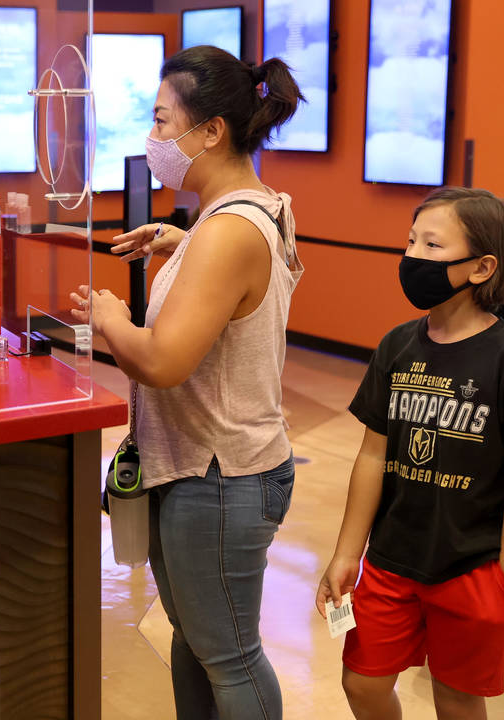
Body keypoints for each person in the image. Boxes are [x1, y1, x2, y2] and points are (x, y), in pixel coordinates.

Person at [71, 44, 305, 719]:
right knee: (200, 642)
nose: (154, 140)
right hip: (200, 466)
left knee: (229, 655)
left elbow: (163, 361)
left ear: (212, 132)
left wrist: (113, 319)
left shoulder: (228, 231)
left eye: (162, 121)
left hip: (222, 474)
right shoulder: (240, 212)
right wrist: (183, 240)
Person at [315, 188, 504, 719]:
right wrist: (346, 553)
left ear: (481, 268)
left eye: (432, 245)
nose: (412, 257)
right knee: (362, 682)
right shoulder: (396, 346)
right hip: (390, 561)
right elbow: (371, 457)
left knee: (455, 696)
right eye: (410, 242)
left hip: (472, 568)